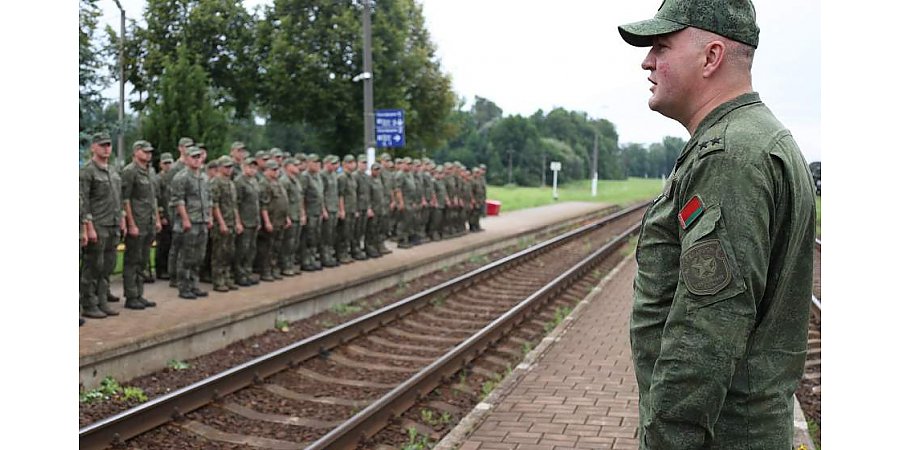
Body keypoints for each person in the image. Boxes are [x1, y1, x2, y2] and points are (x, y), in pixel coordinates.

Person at [618, 1, 817, 448]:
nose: (647, 60)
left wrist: (667, 438)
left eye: (662, 46)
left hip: (720, 435)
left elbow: (706, 333)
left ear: (711, 57)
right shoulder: (755, 139)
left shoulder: (730, 155)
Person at [80, 132, 124, 319]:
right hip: (97, 225)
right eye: (102, 145)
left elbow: (118, 198)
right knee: (92, 266)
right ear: (93, 147)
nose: (106, 148)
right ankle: (89, 303)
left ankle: (102, 301)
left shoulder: (113, 171)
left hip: (112, 224)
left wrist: (121, 219)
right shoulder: (87, 171)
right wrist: (88, 226)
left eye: (109, 145)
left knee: (107, 266)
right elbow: (83, 200)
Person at [121, 140, 162, 310]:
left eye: (149, 151)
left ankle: (139, 293)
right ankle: (131, 296)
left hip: (149, 221)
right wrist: (131, 223)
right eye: (144, 151)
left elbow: (153, 198)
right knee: (133, 260)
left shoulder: (150, 171)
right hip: (137, 221)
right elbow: (125, 199)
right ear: (136, 151)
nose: (148, 154)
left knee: (143, 260)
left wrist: (157, 219)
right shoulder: (130, 171)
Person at [170, 146, 212, 299]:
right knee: (186, 256)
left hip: (202, 220)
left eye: (199, 157)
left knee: (199, 256)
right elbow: (178, 200)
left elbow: (209, 199)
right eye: (193, 157)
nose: (197, 159)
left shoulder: (204, 177)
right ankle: (184, 286)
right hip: (189, 222)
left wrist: (209, 217)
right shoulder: (181, 177)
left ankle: (194, 284)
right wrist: (185, 219)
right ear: (186, 159)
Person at [210, 156, 243, 292]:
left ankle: (227, 276)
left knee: (229, 251)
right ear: (219, 168)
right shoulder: (216, 182)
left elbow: (234, 206)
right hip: (221, 223)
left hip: (231, 222)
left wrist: (238, 222)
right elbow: (214, 205)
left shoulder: (230, 183)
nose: (229, 169)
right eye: (226, 167)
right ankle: (218, 280)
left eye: (231, 167)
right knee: (219, 252)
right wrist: (221, 223)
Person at [258, 160, 291, 281]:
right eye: (273, 169)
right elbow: (264, 205)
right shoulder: (264, 184)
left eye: (277, 169)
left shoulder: (278, 183)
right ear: (266, 170)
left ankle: (273, 268)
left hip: (280, 220)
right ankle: (266, 270)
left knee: (277, 246)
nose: (276, 172)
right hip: (272, 220)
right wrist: (267, 222)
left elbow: (283, 201)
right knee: (267, 247)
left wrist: (286, 217)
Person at [234, 159, 261, 286]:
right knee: (242, 249)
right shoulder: (239, 182)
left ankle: (247, 272)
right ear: (243, 167)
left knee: (251, 249)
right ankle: (239, 274)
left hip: (253, 220)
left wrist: (258, 220)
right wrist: (238, 222)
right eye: (250, 167)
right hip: (244, 220)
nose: (252, 170)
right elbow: (236, 205)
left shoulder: (254, 181)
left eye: (254, 167)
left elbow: (257, 203)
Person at [155, 152, 175, 280]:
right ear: (161, 164)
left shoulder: (174, 177)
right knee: (163, 244)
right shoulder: (158, 179)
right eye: (165, 163)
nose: (168, 166)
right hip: (164, 214)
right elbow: (157, 198)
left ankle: (169, 268)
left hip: (173, 214)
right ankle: (161, 269)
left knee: (171, 243)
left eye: (170, 163)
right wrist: (161, 216)